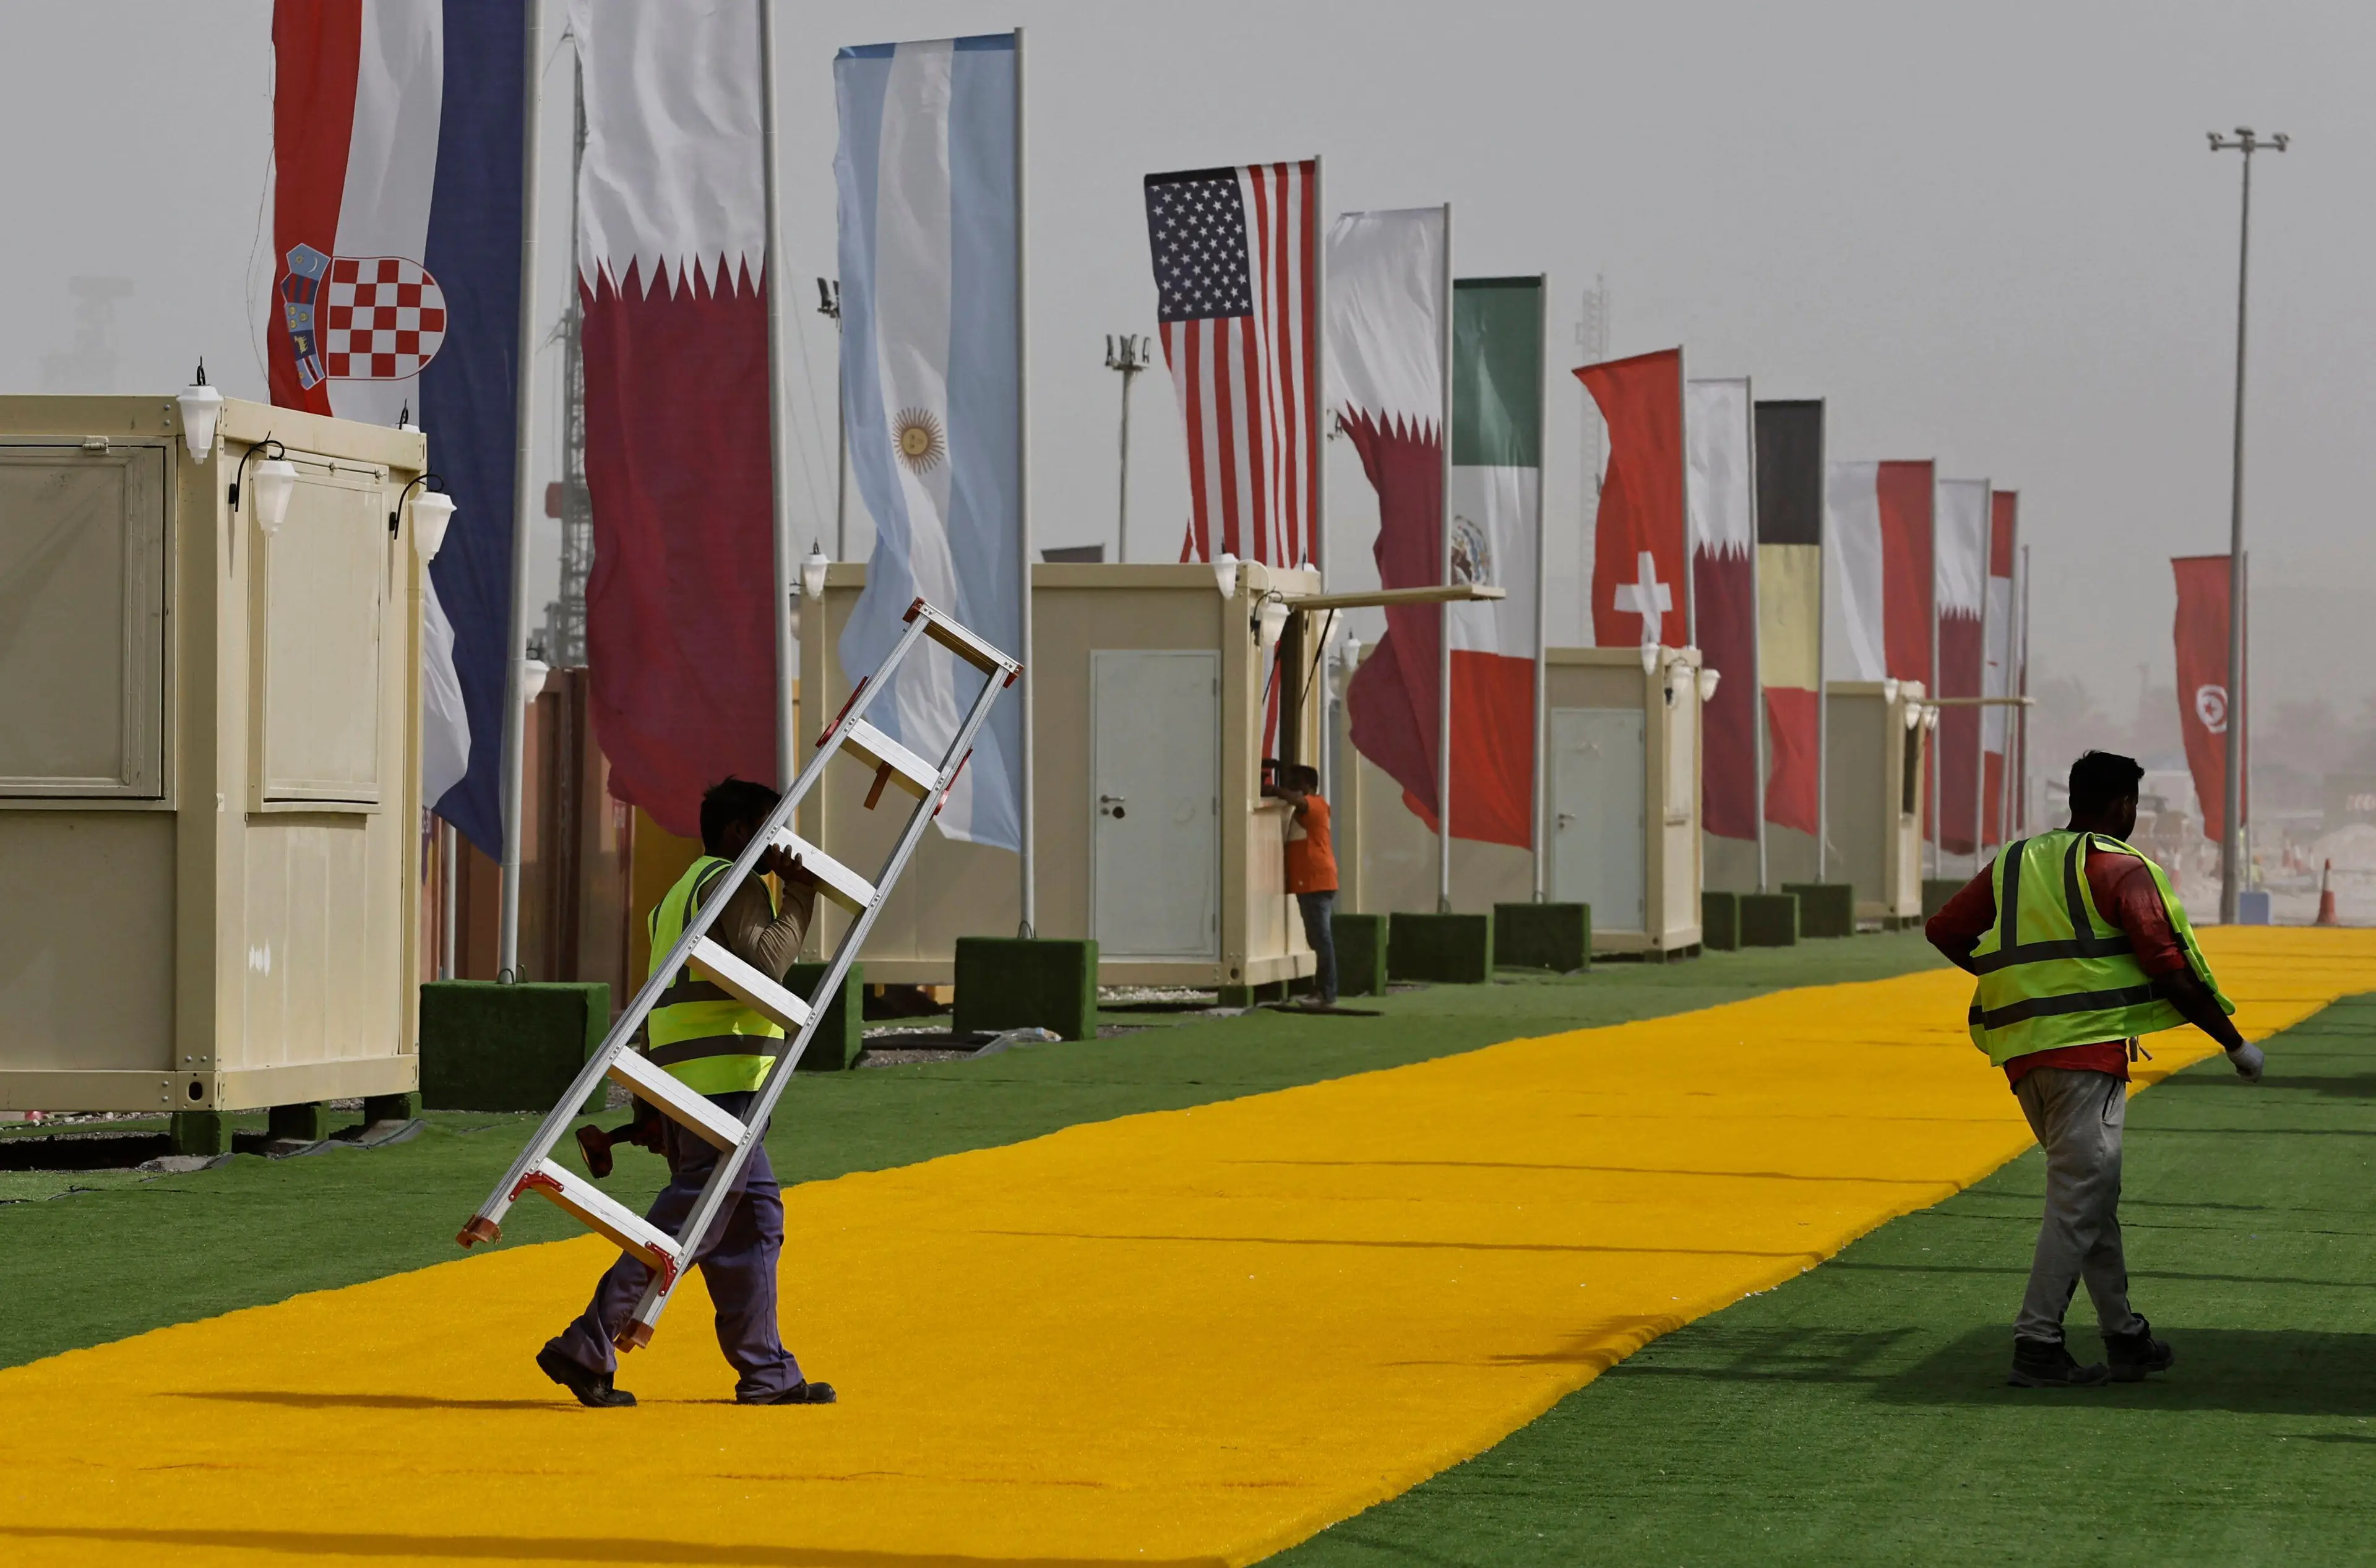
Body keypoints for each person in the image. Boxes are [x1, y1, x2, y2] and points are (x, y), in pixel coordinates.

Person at [1927, 749, 2265, 1389]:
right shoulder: (2121, 869)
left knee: (2089, 1195)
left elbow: (1945, 930)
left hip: (2023, 1054)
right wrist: (2235, 1044)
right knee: (2080, 1197)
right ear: (2123, 805)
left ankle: (2125, 1336)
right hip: (2086, 1054)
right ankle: (2037, 1344)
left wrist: (2009, 978)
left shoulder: (2015, 862)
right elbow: (2169, 967)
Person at [536, 777, 834, 1408]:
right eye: (770, 828)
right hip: (720, 1091)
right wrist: (802, 891)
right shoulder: (733, 880)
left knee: (755, 1221)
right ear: (738, 832)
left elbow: (657, 1001)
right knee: (689, 1221)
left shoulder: (677, 895)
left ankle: (767, 1373)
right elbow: (770, 963)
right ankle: (588, 1343)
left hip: (688, 1086)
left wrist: (650, 1103)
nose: (781, 843)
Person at [1268, 763, 1338, 1007]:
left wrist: (1274, 790)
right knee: (1317, 938)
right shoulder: (1309, 809)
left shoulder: (1315, 803)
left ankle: (1326, 993)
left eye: (1295, 784)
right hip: (1312, 882)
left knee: (1321, 939)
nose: (1290, 788)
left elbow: (1300, 802)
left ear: (1308, 786)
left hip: (1316, 880)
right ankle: (1322, 991)